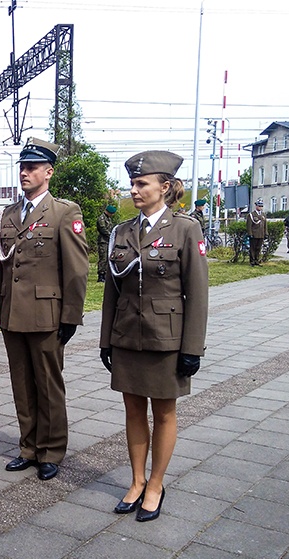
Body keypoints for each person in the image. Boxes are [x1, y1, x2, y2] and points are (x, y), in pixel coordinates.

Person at [100, 150, 209, 522]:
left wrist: (192, 347)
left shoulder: (185, 229)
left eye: (141, 183)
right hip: (128, 334)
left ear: (164, 187)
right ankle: (135, 480)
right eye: (132, 183)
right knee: (132, 410)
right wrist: (105, 339)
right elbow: (112, 291)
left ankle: (156, 484)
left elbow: (197, 292)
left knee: (163, 412)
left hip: (167, 338)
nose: (134, 189)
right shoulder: (123, 231)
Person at [0, 138, 89, 481]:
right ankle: (29, 446)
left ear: (48, 172)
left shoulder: (64, 212)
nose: (24, 172)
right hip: (12, 313)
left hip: (46, 313)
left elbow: (77, 269)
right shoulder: (8, 213)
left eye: (32, 167)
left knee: (48, 385)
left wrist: (70, 317)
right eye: (22, 166)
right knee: (21, 383)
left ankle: (51, 450)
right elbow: (7, 267)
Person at [96, 204, 117, 282]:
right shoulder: (102, 219)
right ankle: (101, 275)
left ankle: (105, 274)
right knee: (103, 258)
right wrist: (111, 235)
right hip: (103, 241)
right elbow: (103, 229)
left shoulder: (108, 219)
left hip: (108, 241)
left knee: (108, 258)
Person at [245, 199, 267, 266]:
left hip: (261, 234)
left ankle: (257, 261)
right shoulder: (251, 215)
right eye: (259, 206)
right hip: (254, 234)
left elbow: (265, 225)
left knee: (258, 248)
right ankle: (252, 261)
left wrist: (266, 233)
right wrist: (250, 234)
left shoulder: (263, 215)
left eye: (261, 206)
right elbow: (249, 225)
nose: (260, 207)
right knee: (252, 248)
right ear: (256, 206)